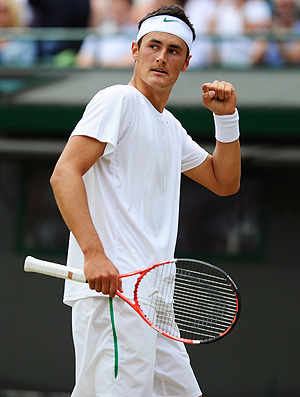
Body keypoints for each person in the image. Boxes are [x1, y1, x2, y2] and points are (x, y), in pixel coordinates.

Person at [50, 4, 241, 396]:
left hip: (154, 304)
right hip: (116, 296)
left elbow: (224, 181)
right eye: (154, 46)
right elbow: (64, 173)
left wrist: (227, 119)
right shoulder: (117, 100)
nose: (161, 57)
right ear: (135, 50)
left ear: (186, 63)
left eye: (174, 50)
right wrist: (94, 254)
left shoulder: (170, 128)